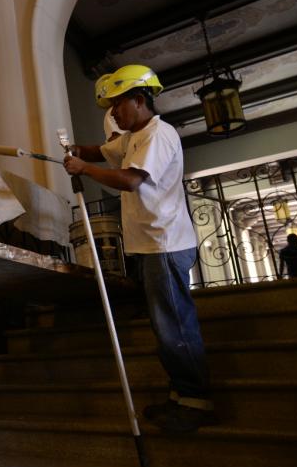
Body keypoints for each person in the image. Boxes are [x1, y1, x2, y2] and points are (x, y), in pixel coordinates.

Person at [64, 64, 215, 433]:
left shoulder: (157, 135)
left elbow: (130, 180)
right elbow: (100, 150)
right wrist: (72, 151)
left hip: (165, 244)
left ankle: (196, 400)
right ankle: (180, 394)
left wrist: (82, 168)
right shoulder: (133, 136)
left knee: (174, 324)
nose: (113, 113)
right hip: (151, 244)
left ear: (139, 98)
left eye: (117, 104)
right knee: (164, 325)